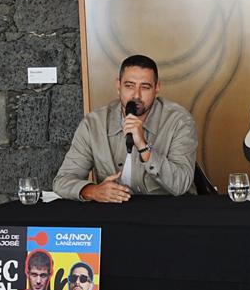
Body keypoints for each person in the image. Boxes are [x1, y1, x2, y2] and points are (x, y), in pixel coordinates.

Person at [53, 54, 197, 202]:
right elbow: (63, 181)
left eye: (145, 87)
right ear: (118, 85)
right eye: (129, 86)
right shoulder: (94, 123)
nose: (136, 95)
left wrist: (144, 147)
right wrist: (94, 191)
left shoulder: (179, 121)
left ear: (157, 88)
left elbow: (181, 184)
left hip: (168, 213)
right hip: (115, 214)